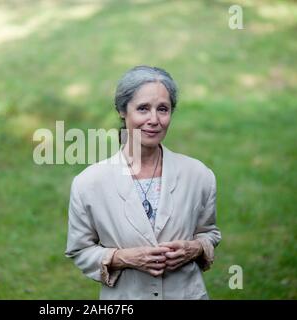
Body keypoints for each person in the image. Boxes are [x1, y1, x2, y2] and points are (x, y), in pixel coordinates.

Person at [65, 66, 221, 300]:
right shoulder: (88, 184)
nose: (154, 120)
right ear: (122, 110)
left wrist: (195, 248)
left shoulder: (199, 175)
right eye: (143, 109)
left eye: (163, 109)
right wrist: (124, 258)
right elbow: (80, 250)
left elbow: (209, 232)